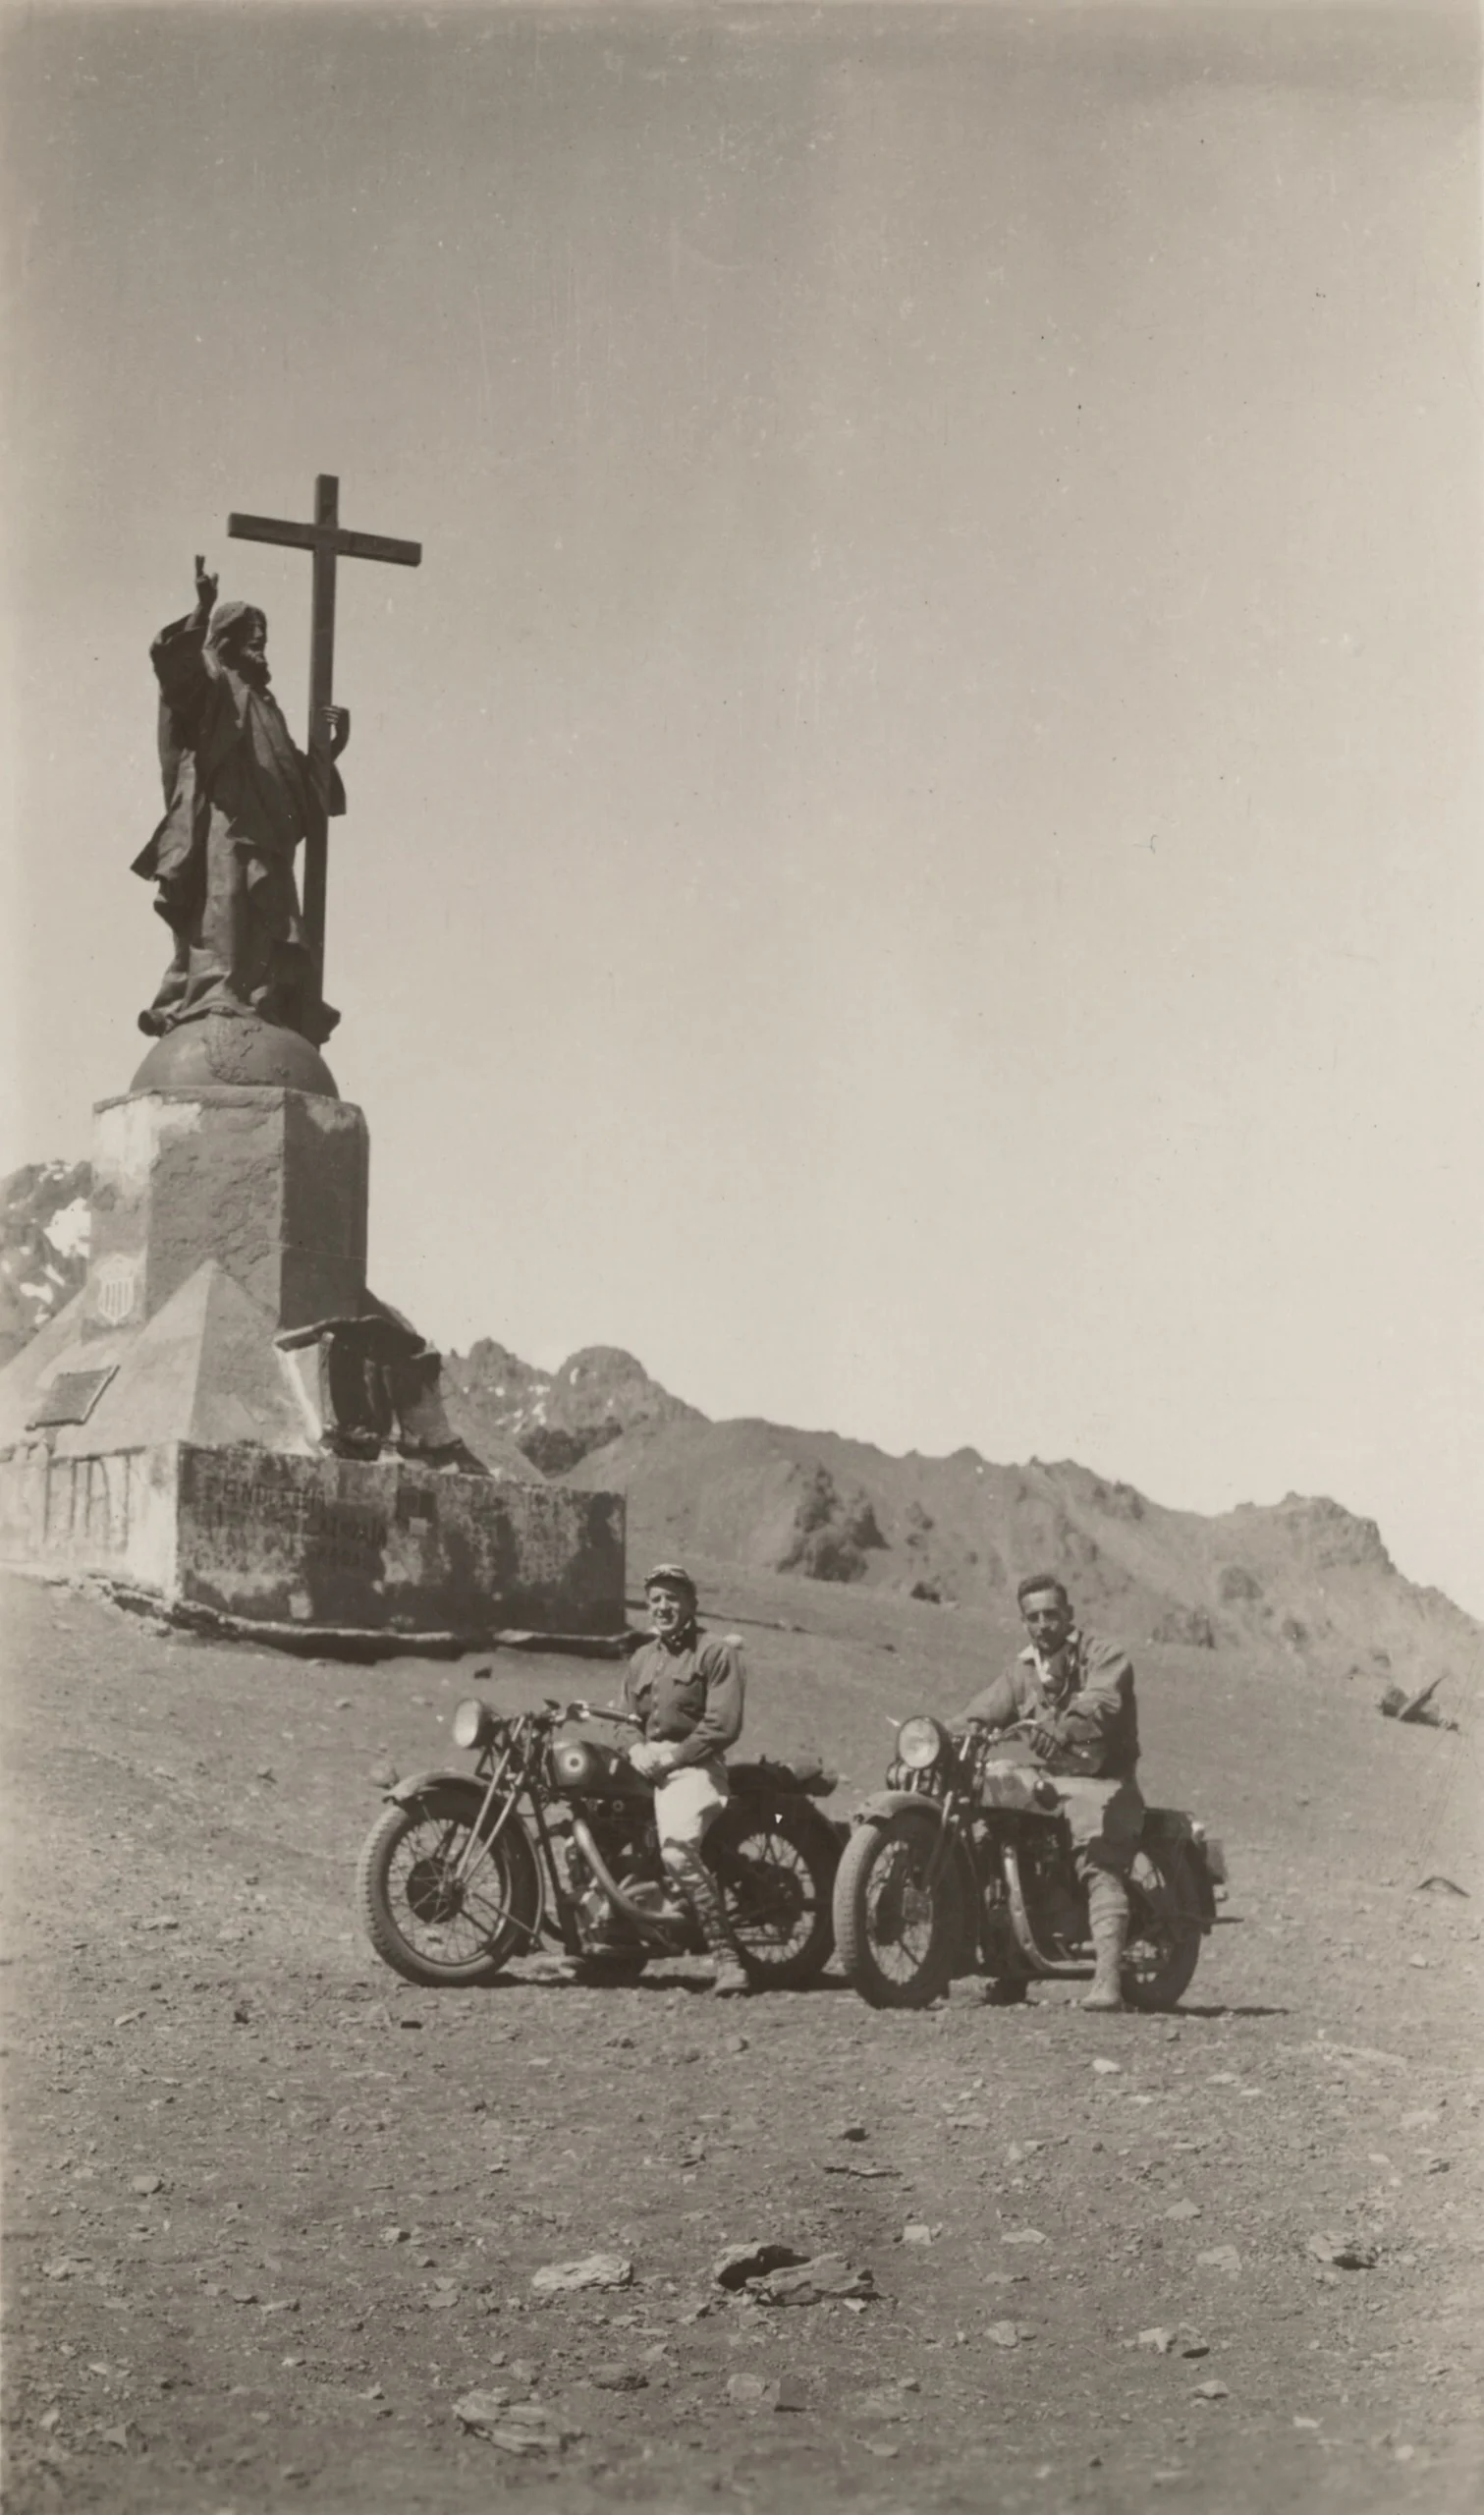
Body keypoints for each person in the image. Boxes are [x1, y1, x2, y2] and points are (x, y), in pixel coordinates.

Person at [133, 556, 351, 1045]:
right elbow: (176, 671)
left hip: (268, 833)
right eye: (252, 638)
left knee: (266, 917)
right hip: (224, 823)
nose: (260, 646)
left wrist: (329, 752)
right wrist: (202, 611)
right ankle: (216, 996)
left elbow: (289, 773)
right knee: (225, 902)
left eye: (265, 640)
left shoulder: (263, 702)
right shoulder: (214, 683)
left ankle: (261, 1000)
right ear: (228, 641)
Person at [958, 1573, 1143, 2012]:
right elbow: (984, 1709)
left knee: (1096, 1861)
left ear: (1069, 1615)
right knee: (992, 1838)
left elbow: (1100, 1703)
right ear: (1024, 1622)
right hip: (1050, 1781)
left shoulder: (1105, 1656)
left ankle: (1107, 1979)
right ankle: (1009, 1970)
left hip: (1103, 1782)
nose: (1043, 1625)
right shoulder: (1021, 1671)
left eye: (1051, 1614)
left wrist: (1060, 1730)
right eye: (1033, 1617)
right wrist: (946, 1733)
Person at [624, 1564, 749, 1997]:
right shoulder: (641, 1657)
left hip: (695, 1765)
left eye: (673, 1597)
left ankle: (726, 1957)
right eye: (655, 1598)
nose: (663, 1606)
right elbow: (627, 1719)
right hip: (647, 1765)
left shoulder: (715, 1653)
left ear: (692, 1605)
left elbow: (722, 1725)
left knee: (677, 1851)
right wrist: (636, 1748)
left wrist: (674, 1756)